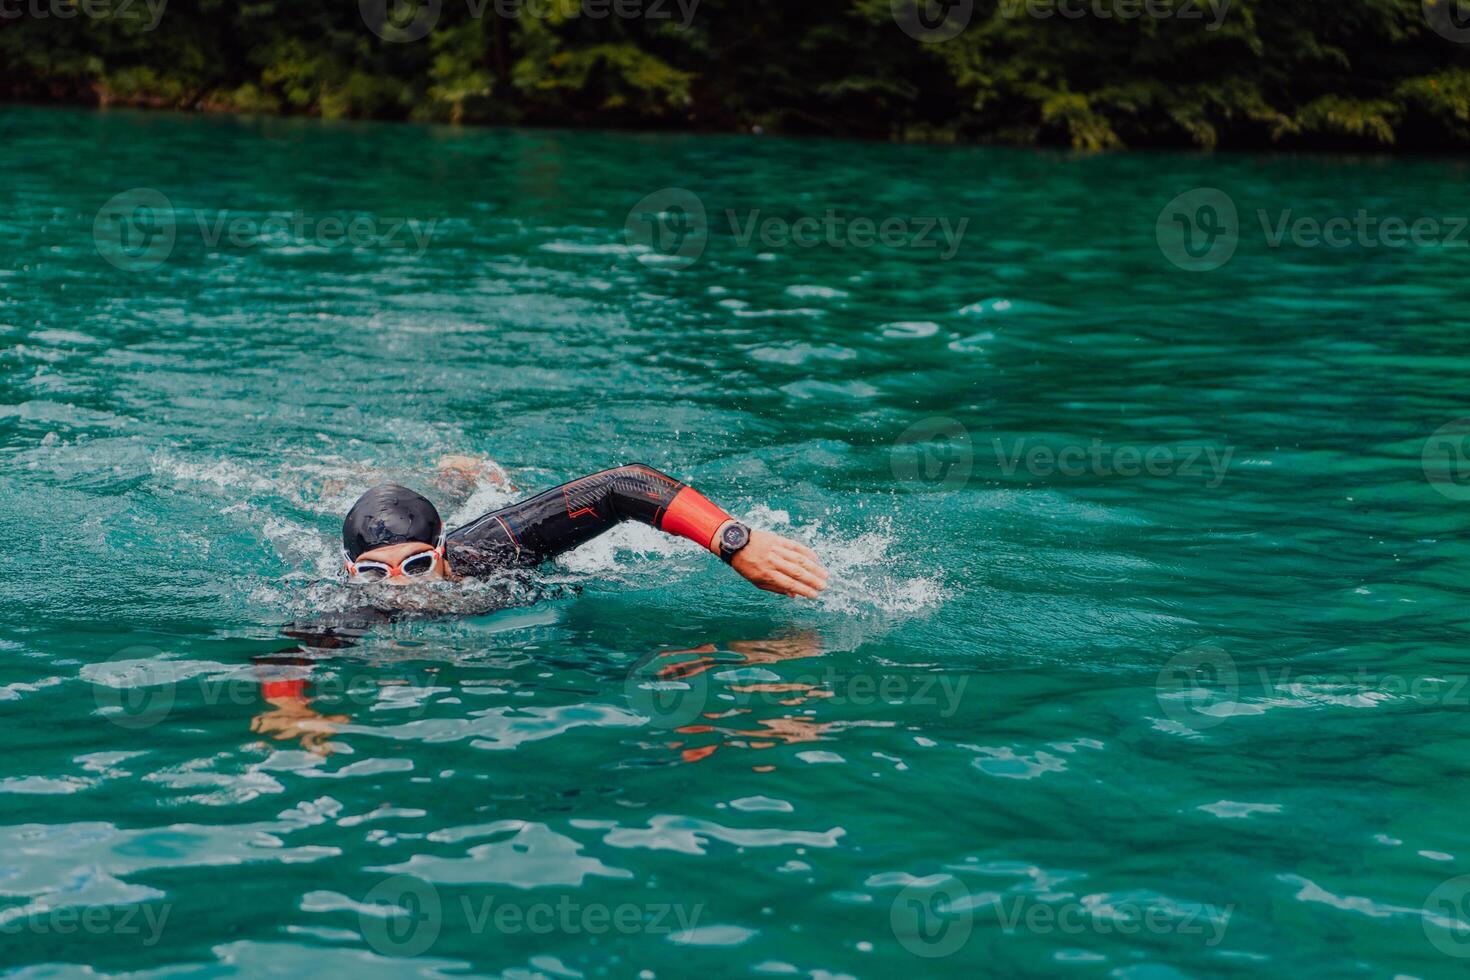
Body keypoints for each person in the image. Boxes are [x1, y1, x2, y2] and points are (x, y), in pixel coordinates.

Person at [340, 463, 829, 599]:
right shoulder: (349, 607)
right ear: (351, 571)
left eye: (418, 565)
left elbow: (622, 486)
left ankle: (471, 477)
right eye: (374, 576)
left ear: (442, 553)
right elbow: (291, 657)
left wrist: (733, 541)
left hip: (485, 531)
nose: (401, 588)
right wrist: (293, 711)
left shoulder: (496, 550)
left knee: (488, 498)